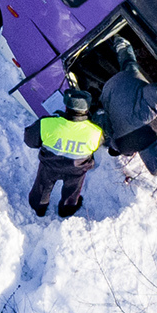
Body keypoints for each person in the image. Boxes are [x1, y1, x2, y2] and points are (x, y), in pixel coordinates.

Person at [24, 89, 102, 219]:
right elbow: (95, 147)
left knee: (42, 187)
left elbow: (30, 140)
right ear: (87, 110)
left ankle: (38, 207)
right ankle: (66, 210)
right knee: (72, 192)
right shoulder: (96, 132)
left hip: (49, 166)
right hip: (77, 170)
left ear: (66, 107)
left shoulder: (46, 123)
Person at [100, 39, 157, 176]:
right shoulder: (123, 148)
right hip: (105, 91)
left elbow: (152, 91)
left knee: (131, 66)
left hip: (128, 78)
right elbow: (106, 126)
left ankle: (121, 44)